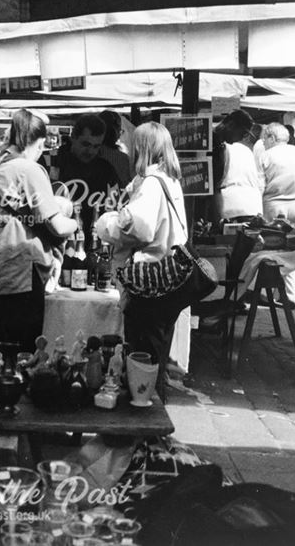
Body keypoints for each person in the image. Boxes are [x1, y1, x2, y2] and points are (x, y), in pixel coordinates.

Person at [96, 122, 187, 398]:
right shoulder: (169, 179)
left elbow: (139, 227)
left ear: (142, 148)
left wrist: (106, 223)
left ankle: (145, 421)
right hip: (167, 277)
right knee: (155, 352)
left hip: (148, 279)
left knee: (143, 354)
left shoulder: (151, 183)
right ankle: (151, 415)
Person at [0, 109, 77, 352]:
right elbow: (56, 224)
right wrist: (75, 223)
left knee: (1, 355)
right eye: (42, 147)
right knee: (24, 356)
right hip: (20, 275)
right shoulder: (28, 169)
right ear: (39, 142)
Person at [257, 123, 295, 305]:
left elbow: (260, 184)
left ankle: (268, 294)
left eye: (265, 138)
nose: (263, 142)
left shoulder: (266, 155)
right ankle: (291, 295)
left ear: (272, 138)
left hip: (274, 205)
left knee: (272, 249)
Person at [53, 113, 120, 241]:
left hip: (92, 243)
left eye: (96, 146)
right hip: (56, 242)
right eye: (85, 144)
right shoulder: (52, 161)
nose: (90, 151)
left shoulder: (105, 169)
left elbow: (116, 205)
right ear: (73, 137)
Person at [213, 110, 263, 221]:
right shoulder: (213, 144)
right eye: (243, 133)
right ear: (231, 125)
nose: (242, 138)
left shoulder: (221, 146)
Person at [98, 110, 132, 188]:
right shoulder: (122, 158)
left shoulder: (85, 152)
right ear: (115, 131)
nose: (120, 135)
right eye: (120, 130)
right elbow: (125, 186)